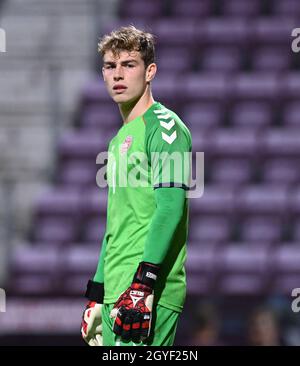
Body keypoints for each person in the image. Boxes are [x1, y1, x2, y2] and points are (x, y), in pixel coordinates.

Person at [80, 25, 192, 346]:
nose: (118, 74)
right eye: (110, 66)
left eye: (129, 65)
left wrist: (144, 283)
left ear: (149, 71)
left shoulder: (166, 127)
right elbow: (115, 224)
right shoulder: (117, 141)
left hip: (147, 291)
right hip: (118, 290)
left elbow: (170, 207)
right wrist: (97, 293)